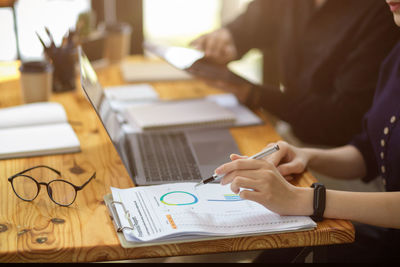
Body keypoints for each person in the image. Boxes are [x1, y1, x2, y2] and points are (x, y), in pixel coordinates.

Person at [212, 0, 400, 262]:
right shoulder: (396, 57)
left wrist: (310, 200)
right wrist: (306, 155)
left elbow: (339, 119)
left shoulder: (378, 23)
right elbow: (366, 150)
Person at [191, 0, 400, 146]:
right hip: (294, 134)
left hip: (344, 155)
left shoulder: (384, 11)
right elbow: (250, 24)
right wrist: (224, 39)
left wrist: (254, 94)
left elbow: (343, 121)